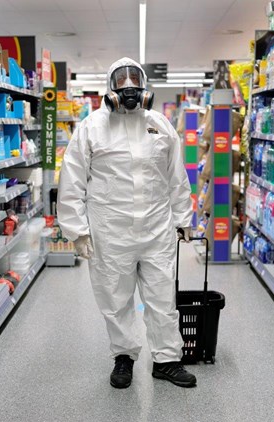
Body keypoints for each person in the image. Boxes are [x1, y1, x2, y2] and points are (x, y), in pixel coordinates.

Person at [57, 57, 197, 389]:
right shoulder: (92, 127)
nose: (130, 90)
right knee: (115, 298)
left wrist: (183, 217)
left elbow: (177, 175)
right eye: (123, 83)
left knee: (163, 297)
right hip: (110, 230)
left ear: (145, 87)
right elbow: (72, 179)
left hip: (156, 228)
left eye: (136, 83)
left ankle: (166, 360)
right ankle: (124, 357)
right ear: (111, 88)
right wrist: (77, 230)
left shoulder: (161, 124)